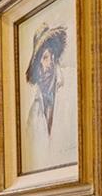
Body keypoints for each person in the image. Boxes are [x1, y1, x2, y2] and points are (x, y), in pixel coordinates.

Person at [21, 23, 77, 170]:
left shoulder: (73, 82)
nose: (41, 67)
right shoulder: (33, 113)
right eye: (38, 62)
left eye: (44, 57)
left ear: (53, 56)